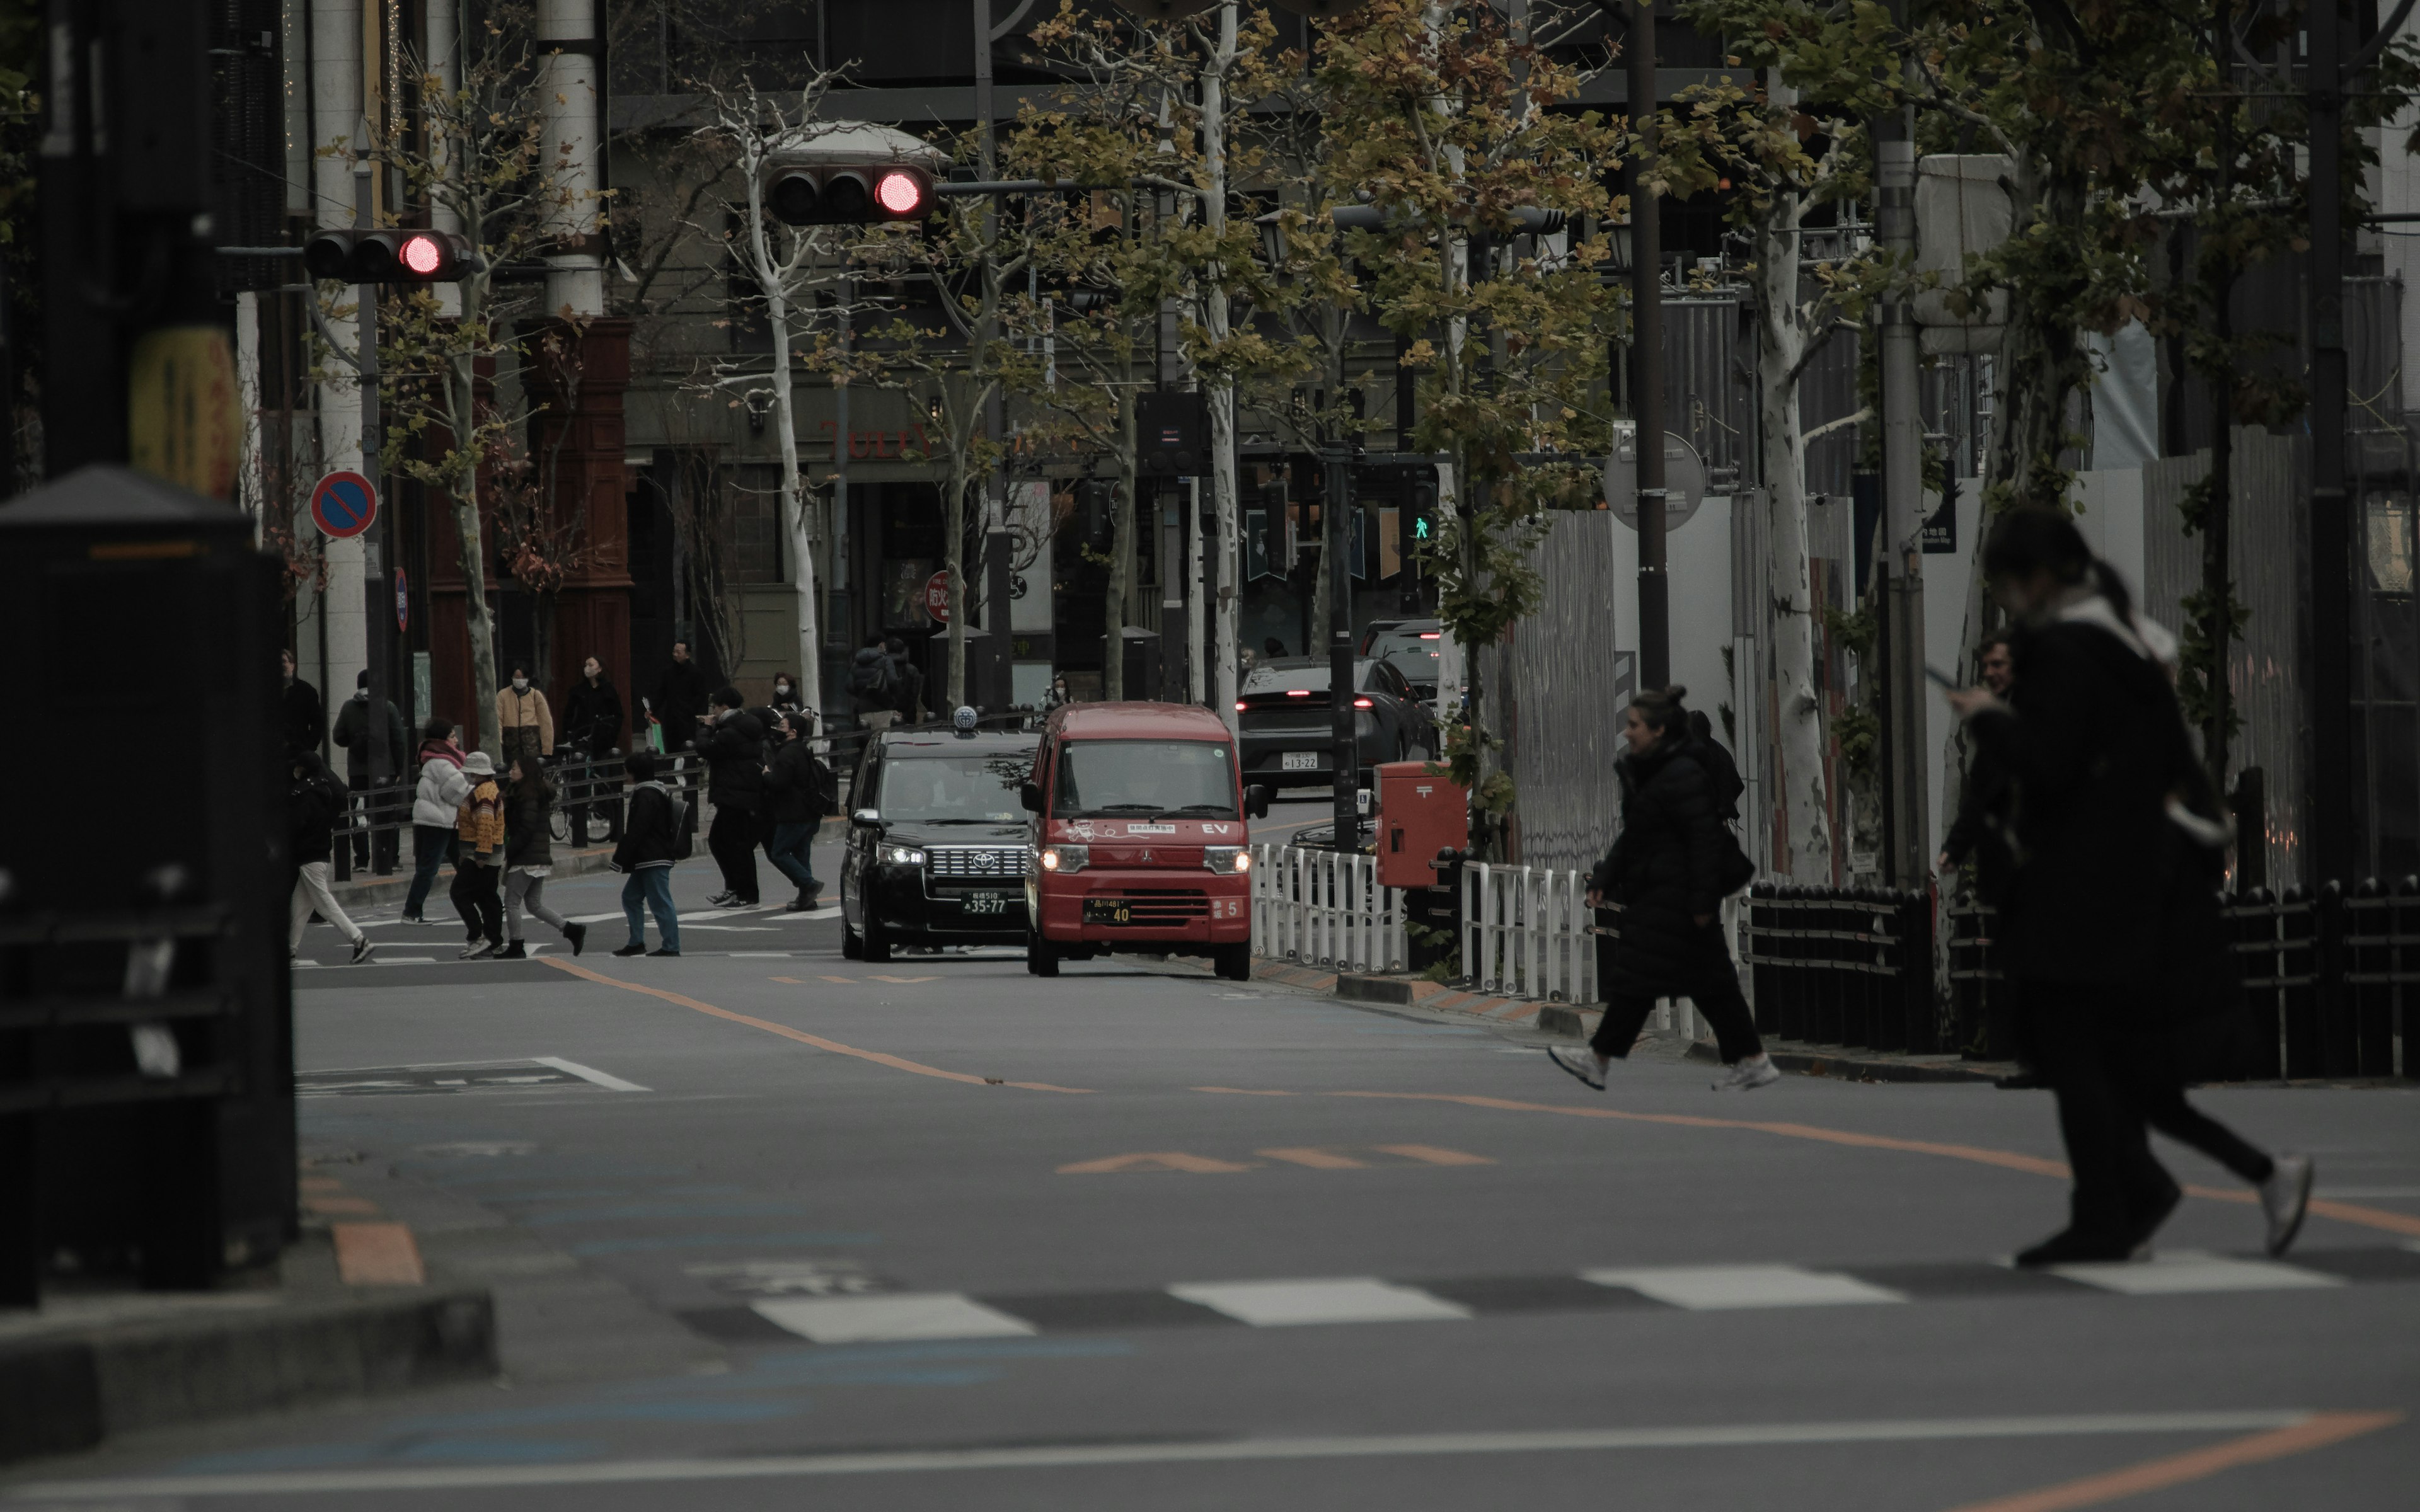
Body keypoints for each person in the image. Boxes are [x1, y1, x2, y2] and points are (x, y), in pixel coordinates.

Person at [1948, 508, 2312, 1266]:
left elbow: (2050, 762)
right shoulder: (2122, 643)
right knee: (2113, 1062)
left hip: (2082, 886)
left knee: (2075, 1052)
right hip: (2136, 881)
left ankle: (2112, 1212)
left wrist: (1988, 721)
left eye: (2010, 585)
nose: (2009, 604)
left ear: (2038, 578)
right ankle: (2200, 1185)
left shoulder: (2066, 650)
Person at [1549, 685, 1777, 1093]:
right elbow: (1636, 835)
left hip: (1677, 896)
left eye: (1634, 725)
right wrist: (1605, 878)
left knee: (1643, 980)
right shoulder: (1656, 772)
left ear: (1657, 730)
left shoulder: (1682, 774)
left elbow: (1705, 839)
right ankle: (1754, 1060)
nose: (1628, 733)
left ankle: (1598, 1060)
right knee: (1701, 982)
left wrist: (1703, 899)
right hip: (1664, 893)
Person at [287, 750, 374, 965]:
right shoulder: (325, 791)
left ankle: (359, 940)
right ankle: (289, 950)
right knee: (300, 907)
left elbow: (296, 825)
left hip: (309, 855)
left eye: (298, 767)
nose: (295, 770)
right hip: (321, 854)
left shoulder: (305, 795)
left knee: (324, 904)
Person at [498, 756, 587, 959]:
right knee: (533, 904)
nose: (510, 772)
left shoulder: (527, 796)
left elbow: (527, 829)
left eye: (514, 768)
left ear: (525, 772)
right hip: (537, 857)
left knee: (512, 902)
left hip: (526, 857)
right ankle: (571, 930)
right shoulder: (532, 793)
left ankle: (516, 944)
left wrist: (512, 849)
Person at [693, 686, 767, 907]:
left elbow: (706, 748)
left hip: (734, 794)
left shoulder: (730, 732)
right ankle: (739, 889)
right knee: (733, 844)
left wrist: (705, 729)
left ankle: (741, 891)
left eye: (714, 708)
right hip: (741, 792)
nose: (712, 712)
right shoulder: (744, 726)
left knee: (726, 843)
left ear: (724, 707)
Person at [330, 670, 406, 874]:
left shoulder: (348, 707)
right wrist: (398, 767)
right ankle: (390, 858)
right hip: (384, 771)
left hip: (358, 772)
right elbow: (399, 740)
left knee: (360, 816)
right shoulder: (388, 707)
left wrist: (354, 740)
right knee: (388, 813)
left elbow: (338, 737)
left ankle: (361, 860)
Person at [611, 749, 683, 957]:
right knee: (631, 897)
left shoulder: (646, 795)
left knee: (660, 901)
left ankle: (671, 945)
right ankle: (636, 942)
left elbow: (638, 828)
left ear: (634, 772)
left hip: (653, 856)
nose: (625, 773)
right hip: (650, 856)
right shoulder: (656, 791)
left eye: (627, 770)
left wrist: (621, 857)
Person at [762, 712, 831, 912]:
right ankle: (806, 899)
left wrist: (767, 775)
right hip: (810, 811)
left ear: (793, 732)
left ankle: (809, 885)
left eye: (782, 726)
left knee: (778, 853)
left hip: (793, 813)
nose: (778, 729)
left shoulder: (787, 753)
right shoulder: (802, 750)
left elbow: (779, 782)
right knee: (801, 855)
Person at [403, 719, 470, 924]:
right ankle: (412, 911)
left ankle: (485, 903)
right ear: (443, 740)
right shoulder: (442, 763)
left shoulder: (434, 759)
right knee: (430, 868)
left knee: (464, 864)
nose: (457, 740)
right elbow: (457, 791)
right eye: (452, 736)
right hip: (438, 821)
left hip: (441, 820)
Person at [449, 750, 507, 959]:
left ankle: (478, 935)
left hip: (481, 854)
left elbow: (485, 824)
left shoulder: (483, 793)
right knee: (487, 896)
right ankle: (493, 941)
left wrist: (481, 854)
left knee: (460, 892)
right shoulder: (488, 789)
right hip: (488, 853)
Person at [562, 656, 625, 845]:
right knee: (582, 774)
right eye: (586, 664)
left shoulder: (608, 690)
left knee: (604, 776)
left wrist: (611, 734)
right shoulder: (578, 691)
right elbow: (568, 715)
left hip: (603, 740)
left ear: (599, 669)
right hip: (582, 738)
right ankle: (582, 814)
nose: (587, 668)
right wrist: (569, 735)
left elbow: (618, 715)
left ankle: (604, 812)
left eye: (591, 665)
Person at [649, 640, 711, 757]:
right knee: (670, 748)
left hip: (687, 718)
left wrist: (692, 710)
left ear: (687, 655)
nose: (675, 654)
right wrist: (653, 709)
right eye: (674, 651)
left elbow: (701, 695)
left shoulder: (696, 673)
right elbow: (661, 693)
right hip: (670, 717)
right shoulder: (668, 672)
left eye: (679, 652)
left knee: (687, 747)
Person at [497, 663, 555, 768]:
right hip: (510, 746)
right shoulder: (503, 695)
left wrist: (547, 749)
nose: (520, 680)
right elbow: (498, 721)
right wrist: (499, 743)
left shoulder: (536, 695)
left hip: (531, 746)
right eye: (517, 677)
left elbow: (546, 723)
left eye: (523, 677)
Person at [281, 648, 325, 759]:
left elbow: (318, 722)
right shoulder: (266, 691)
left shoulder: (306, 691)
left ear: (293, 665)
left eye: (284, 662)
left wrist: (309, 746)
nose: (281, 666)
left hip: (298, 752)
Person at [850, 636, 901, 730]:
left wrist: (862, 693)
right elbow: (893, 681)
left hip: (863, 709)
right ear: (881, 644)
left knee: (866, 740)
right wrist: (893, 698)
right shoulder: (886, 660)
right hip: (883, 708)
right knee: (883, 739)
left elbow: (849, 686)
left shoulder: (856, 663)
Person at [885, 637, 926, 725]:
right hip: (908, 715)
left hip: (886, 713)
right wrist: (907, 713)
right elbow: (914, 695)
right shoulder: (912, 670)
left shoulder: (882, 668)